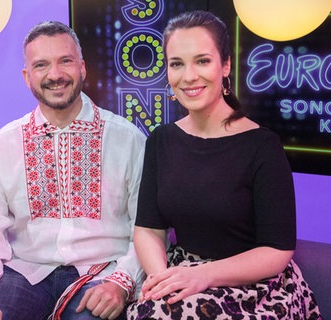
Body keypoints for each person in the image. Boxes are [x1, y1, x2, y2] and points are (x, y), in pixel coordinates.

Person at [126, 10, 321, 319]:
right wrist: (162, 280)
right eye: (177, 64)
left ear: (225, 65)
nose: (189, 76)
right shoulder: (160, 140)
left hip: (255, 286)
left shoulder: (262, 145)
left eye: (202, 61)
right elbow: (148, 229)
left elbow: (277, 250)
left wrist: (205, 276)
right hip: (182, 273)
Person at [0, 21, 146, 320]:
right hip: (25, 270)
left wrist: (122, 282)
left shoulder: (127, 139)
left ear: (82, 68)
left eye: (65, 61)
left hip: (100, 271)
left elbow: (146, 228)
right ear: (27, 77)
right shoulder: (2, 145)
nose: (55, 75)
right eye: (41, 65)